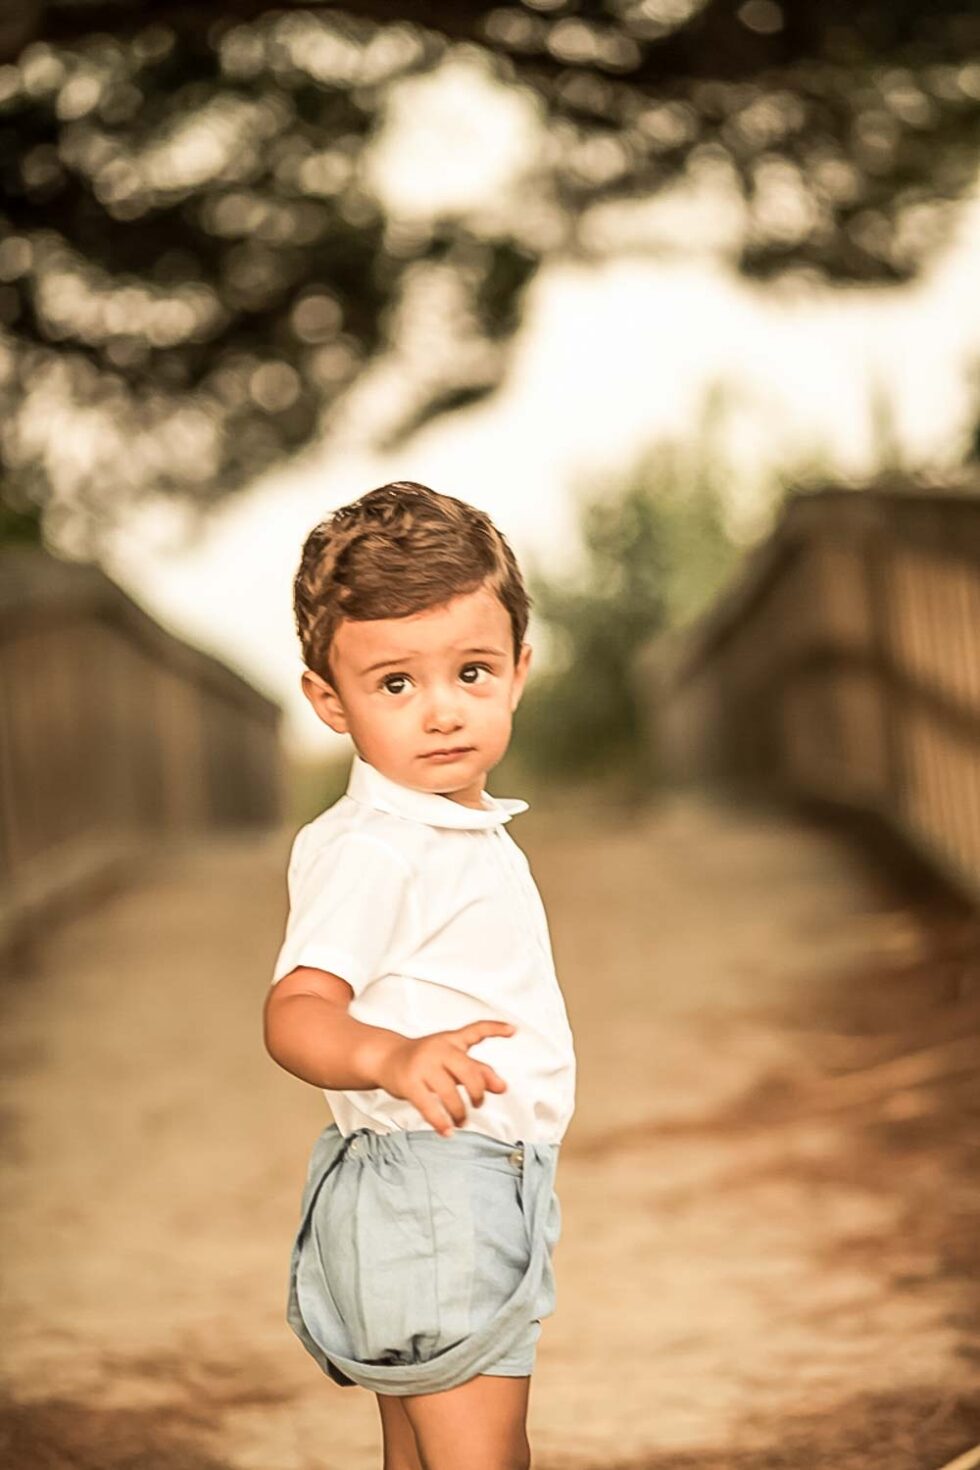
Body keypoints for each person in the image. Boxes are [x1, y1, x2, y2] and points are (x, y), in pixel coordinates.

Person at [263, 481, 577, 1470]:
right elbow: (295, 1011)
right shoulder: (381, 848)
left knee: (424, 1454)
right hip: (440, 1191)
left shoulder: (431, 832)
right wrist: (387, 1055)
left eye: (471, 672)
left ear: (518, 671)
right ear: (328, 701)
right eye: (395, 684)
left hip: (443, 1187)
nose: (441, 712)